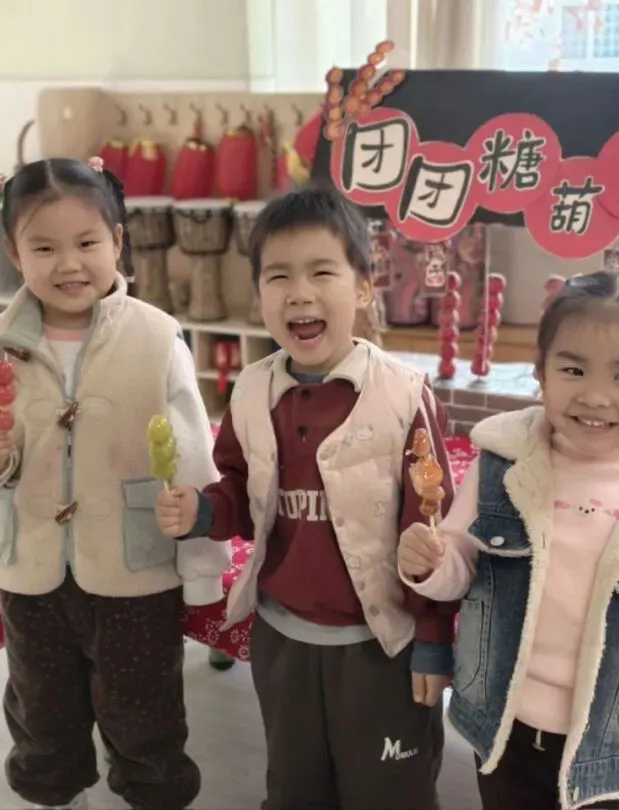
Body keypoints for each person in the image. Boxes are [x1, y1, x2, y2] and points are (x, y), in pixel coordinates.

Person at [155, 184, 457, 810]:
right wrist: (204, 511)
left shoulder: (404, 397)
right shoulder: (251, 391)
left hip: (381, 647)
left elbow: (434, 538)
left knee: (389, 794)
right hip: (283, 640)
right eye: (278, 276)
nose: (299, 292)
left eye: (322, 272)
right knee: (295, 787)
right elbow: (240, 493)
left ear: (364, 288)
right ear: (258, 294)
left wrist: (432, 640)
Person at [0, 157, 230, 810]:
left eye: (87, 243)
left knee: (145, 711)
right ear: (13, 252)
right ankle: (56, 793)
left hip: (136, 573)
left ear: (117, 242)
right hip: (31, 572)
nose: (69, 264)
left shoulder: (157, 338)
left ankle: (153, 795)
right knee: (41, 707)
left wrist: (203, 567)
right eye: (44, 248)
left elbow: (193, 459)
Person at [399, 271, 619, 810]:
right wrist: (431, 564)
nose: (594, 395)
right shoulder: (503, 465)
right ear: (540, 371)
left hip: (617, 761)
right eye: (573, 369)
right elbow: (460, 565)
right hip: (505, 735)